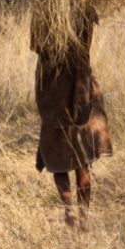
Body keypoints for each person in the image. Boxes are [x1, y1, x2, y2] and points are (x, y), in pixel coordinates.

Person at [33, 13, 112, 228]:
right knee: (82, 162)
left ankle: (70, 212)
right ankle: (83, 216)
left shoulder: (46, 13)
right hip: (78, 98)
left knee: (59, 163)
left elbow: (36, 44)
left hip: (55, 97)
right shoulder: (80, 19)